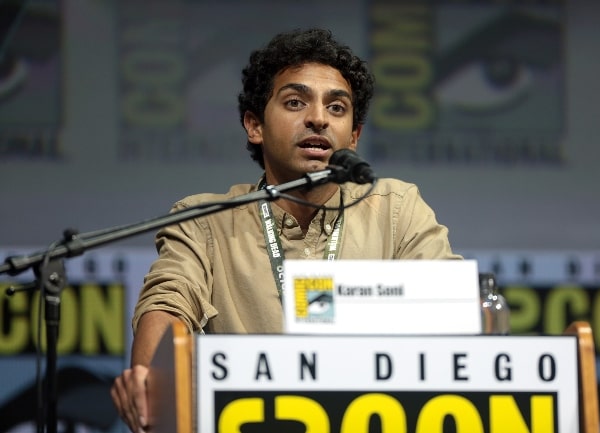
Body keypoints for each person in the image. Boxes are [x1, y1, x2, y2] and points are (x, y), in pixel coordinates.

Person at [110, 27, 461, 432]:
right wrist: (152, 379)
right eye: (295, 102)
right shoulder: (204, 220)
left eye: (337, 108)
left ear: (355, 136)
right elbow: (168, 301)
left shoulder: (397, 209)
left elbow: (446, 313)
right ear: (254, 125)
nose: (317, 118)